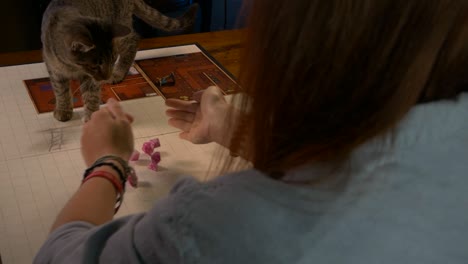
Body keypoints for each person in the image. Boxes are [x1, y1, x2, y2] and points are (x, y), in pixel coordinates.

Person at [35, 0, 468, 263]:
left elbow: (57, 256)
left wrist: (106, 164)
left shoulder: (212, 227)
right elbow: (360, 167)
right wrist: (239, 131)